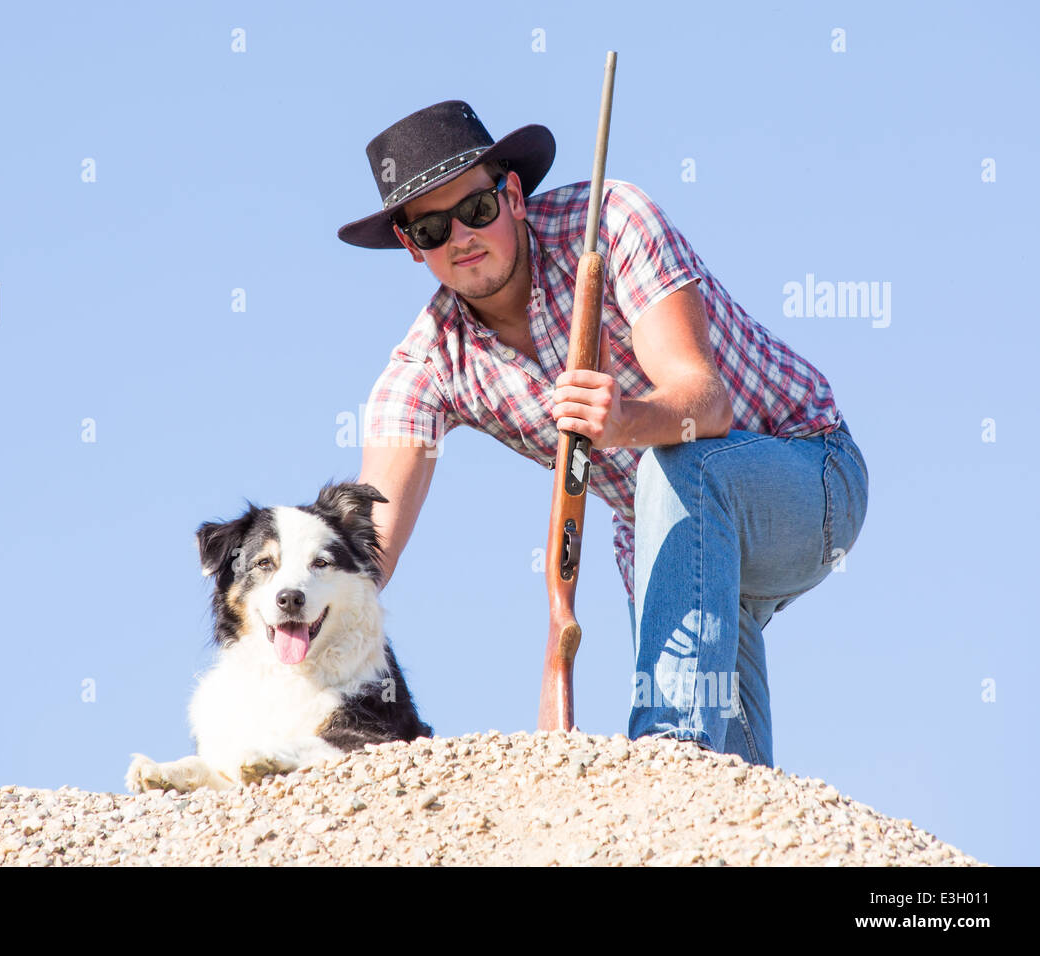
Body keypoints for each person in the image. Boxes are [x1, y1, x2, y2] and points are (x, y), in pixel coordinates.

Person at [336, 100, 868, 768]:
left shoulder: (613, 220)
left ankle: (663, 750)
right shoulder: (426, 363)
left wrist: (626, 422)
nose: (462, 238)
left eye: (475, 211)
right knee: (729, 782)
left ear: (514, 196)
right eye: (434, 230)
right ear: (413, 248)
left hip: (810, 473)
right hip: (675, 548)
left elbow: (704, 402)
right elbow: (364, 550)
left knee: (677, 471)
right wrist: (301, 600)